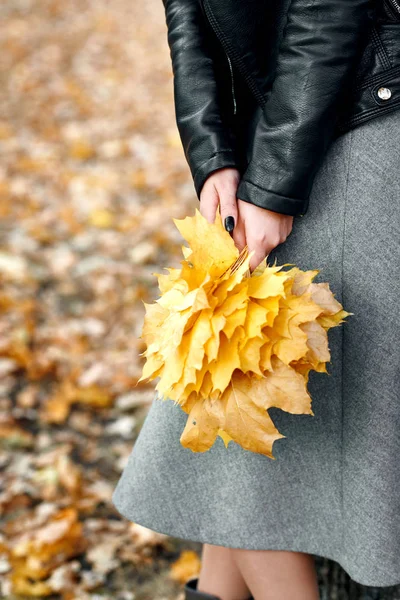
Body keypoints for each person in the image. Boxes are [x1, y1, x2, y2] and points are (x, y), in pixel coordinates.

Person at [112, 0, 400, 598]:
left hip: (358, 112)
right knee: (235, 411)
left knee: (240, 416)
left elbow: (329, 12)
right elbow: (188, 16)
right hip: (279, 129)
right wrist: (212, 153)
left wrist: (272, 185)